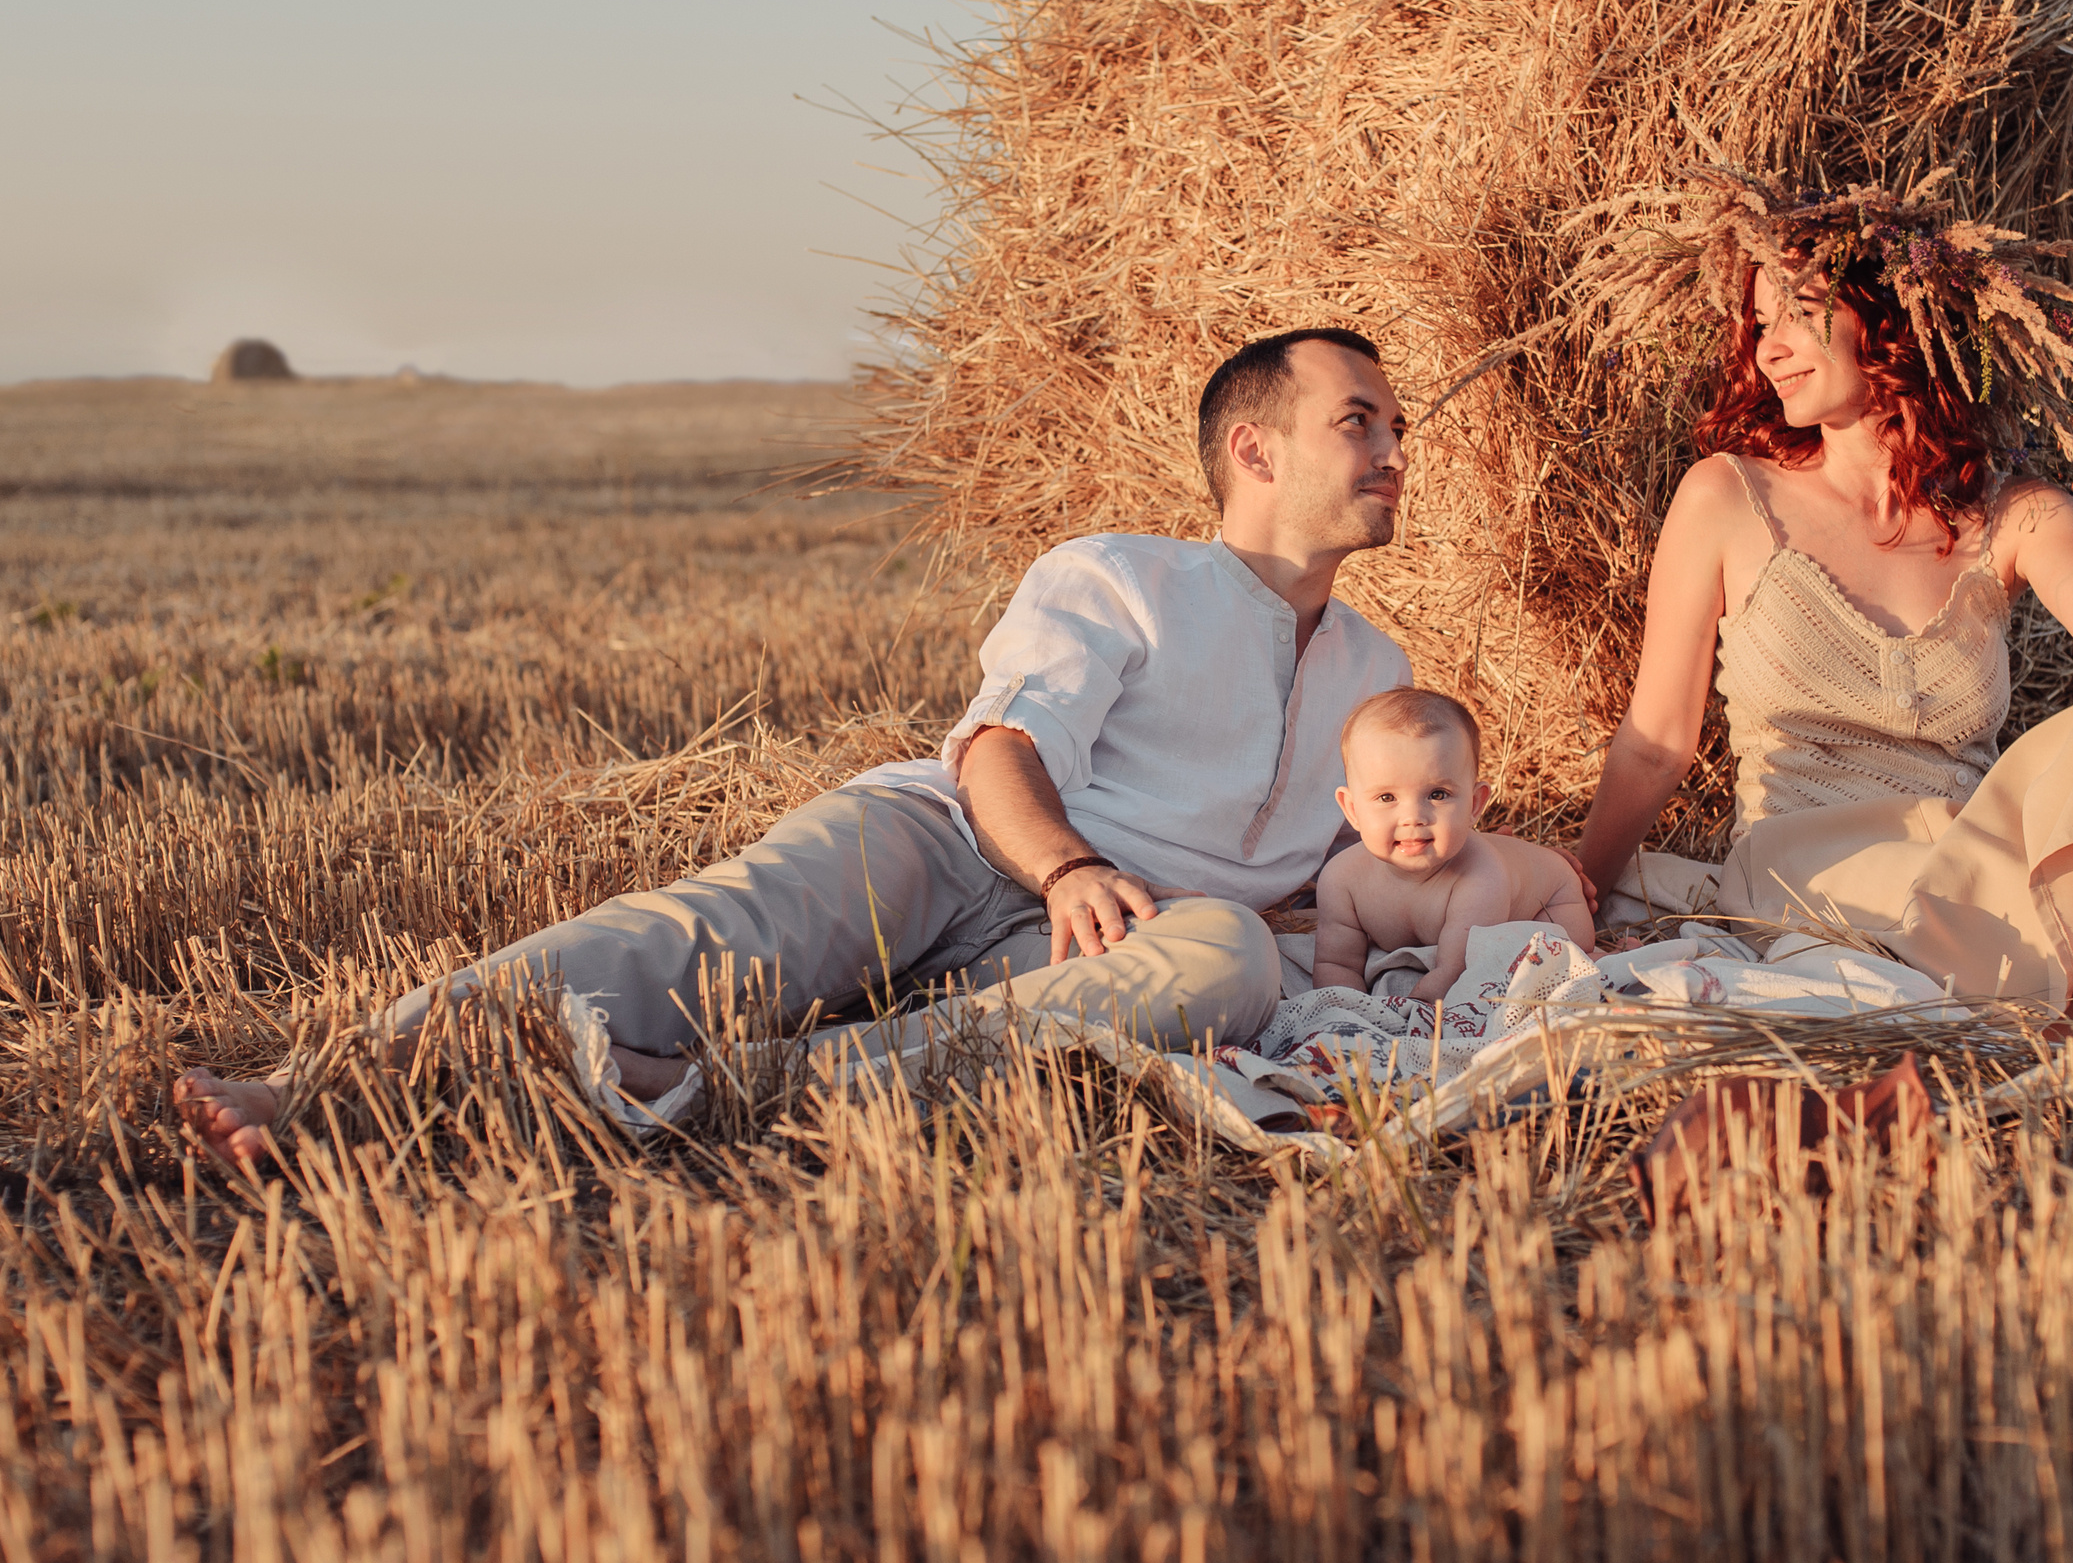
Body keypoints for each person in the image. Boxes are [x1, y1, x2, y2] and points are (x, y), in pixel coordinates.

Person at [178, 327, 1422, 1163]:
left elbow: (1349, 862)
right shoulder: (1118, 574)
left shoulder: (1377, 670)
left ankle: (744, 1086)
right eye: (1358, 421)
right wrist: (1065, 868)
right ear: (1254, 450)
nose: (1394, 452)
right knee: (711, 931)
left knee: (1236, 955)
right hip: (960, 845)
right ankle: (332, 1081)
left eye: (1396, 427)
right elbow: (998, 747)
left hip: (1114, 935)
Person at [1573, 176, 2073, 1018]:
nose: (1768, 348)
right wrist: (1576, 893)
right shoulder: (1729, 498)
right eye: (1759, 321)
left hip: (1977, 852)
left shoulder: (2008, 514)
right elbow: (1657, 743)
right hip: (1822, 875)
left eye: (1798, 313)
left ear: (1887, 317)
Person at [1314, 688, 1594, 999]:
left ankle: (1609, 955)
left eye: (1437, 794)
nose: (1413, 817)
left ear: (1475, 805)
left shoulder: (1479, 877)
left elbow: (1454, 976)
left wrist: (1403, 1019)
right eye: (1386, 797)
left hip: (1551, 898)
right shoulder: (1342, 880)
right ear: (1352, 809)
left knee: (1557, 964)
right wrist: (1349, 1012)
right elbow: (1336, 964)